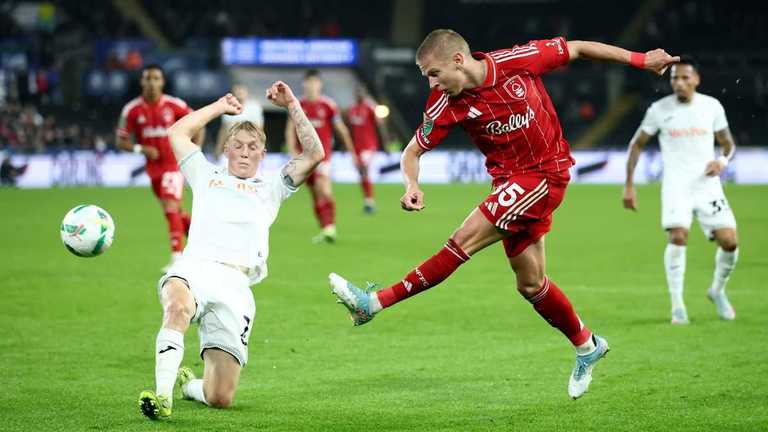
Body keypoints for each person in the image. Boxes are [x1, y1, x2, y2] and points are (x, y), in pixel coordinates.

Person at [329, 29, 678, 399]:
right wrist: (411, 185)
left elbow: (576, 48)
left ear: (458, 61)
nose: (431, 83)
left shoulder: (516, 61)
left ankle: (375, 303)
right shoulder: (444, 103)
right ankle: (587, 345)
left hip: (546, 173)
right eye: (426, 76)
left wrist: (639, 59)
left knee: (462, 241)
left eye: (433, 73)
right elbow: (411, 152)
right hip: (509, 183)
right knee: (530, 284)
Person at [137, 81, 324, 420]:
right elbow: (178, 133)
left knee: (220, 396)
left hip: (236, 288)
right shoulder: (205, 174)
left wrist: (292, 103)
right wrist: (219, 107)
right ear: (226, 148)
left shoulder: (272, 188)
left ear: (262, 154)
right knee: (177, 307)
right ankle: (161, 397)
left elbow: (314, 154)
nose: (244, 151)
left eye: (253, 146)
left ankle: (188, 386)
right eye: (236, 145)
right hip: (195, 267)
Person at [623, 56, 738, 325]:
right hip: (676, 186)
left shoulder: (712, 107)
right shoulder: (659, 109)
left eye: (685, 77)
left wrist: (722, 161)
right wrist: (628, 184)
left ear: (696, 79)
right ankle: (678, 306)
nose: (679, 83)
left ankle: (717, 291)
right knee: (677, 237)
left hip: (708, 185)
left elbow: (728, 143)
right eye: (675, 78)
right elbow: (636, 144)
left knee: (730, 242)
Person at [116, 64, 204, 272]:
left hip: (173, 166)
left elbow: (198, 122)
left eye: (156, 78)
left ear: (162, 82)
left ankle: (177, 257)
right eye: (148, 78)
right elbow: (121, 141)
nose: (152, 83)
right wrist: (141, 149)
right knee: (172, 212)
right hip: (153, 169)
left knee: (171, 208)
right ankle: (205, 241)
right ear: (142, 82)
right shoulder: (132, 110)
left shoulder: (174, 105)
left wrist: (193, 149)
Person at [285, 69, 356, 243]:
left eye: (314, 82)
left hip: (323, 157)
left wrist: (351, 151)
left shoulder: (328, 105)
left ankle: (330, 228)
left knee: (324, 189)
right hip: (304, 158)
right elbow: (290, 129)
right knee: (315, 194)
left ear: (319, 84)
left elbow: (341, 129)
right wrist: (292, 151)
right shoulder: (297, 105)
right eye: (308, 82)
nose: (311, 86)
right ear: (304, 84)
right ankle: (325, 229)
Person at [345, 86, 390, 214]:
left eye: (361, 92)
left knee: (364, 168)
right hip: (357, 147)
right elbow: (349, 129)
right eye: (357, 92)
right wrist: (345, 145)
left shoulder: (370, 107)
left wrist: (385, 144)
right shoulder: (352, 110)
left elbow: (380, 126)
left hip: (369, 146)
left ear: (364, 94)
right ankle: (367, 200)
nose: (359, 94)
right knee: (361, 173)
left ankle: (370, 202)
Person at [215, 83, 264, 161]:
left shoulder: (254, 107)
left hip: (249, 148)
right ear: (233, 93)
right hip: (231, 148)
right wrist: (218, 149)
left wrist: (260, 148)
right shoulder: (228, 107)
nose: (240, 92)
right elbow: (223, 131)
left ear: (246, 92)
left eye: (242, 90)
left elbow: (259, 130)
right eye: (237, 90)